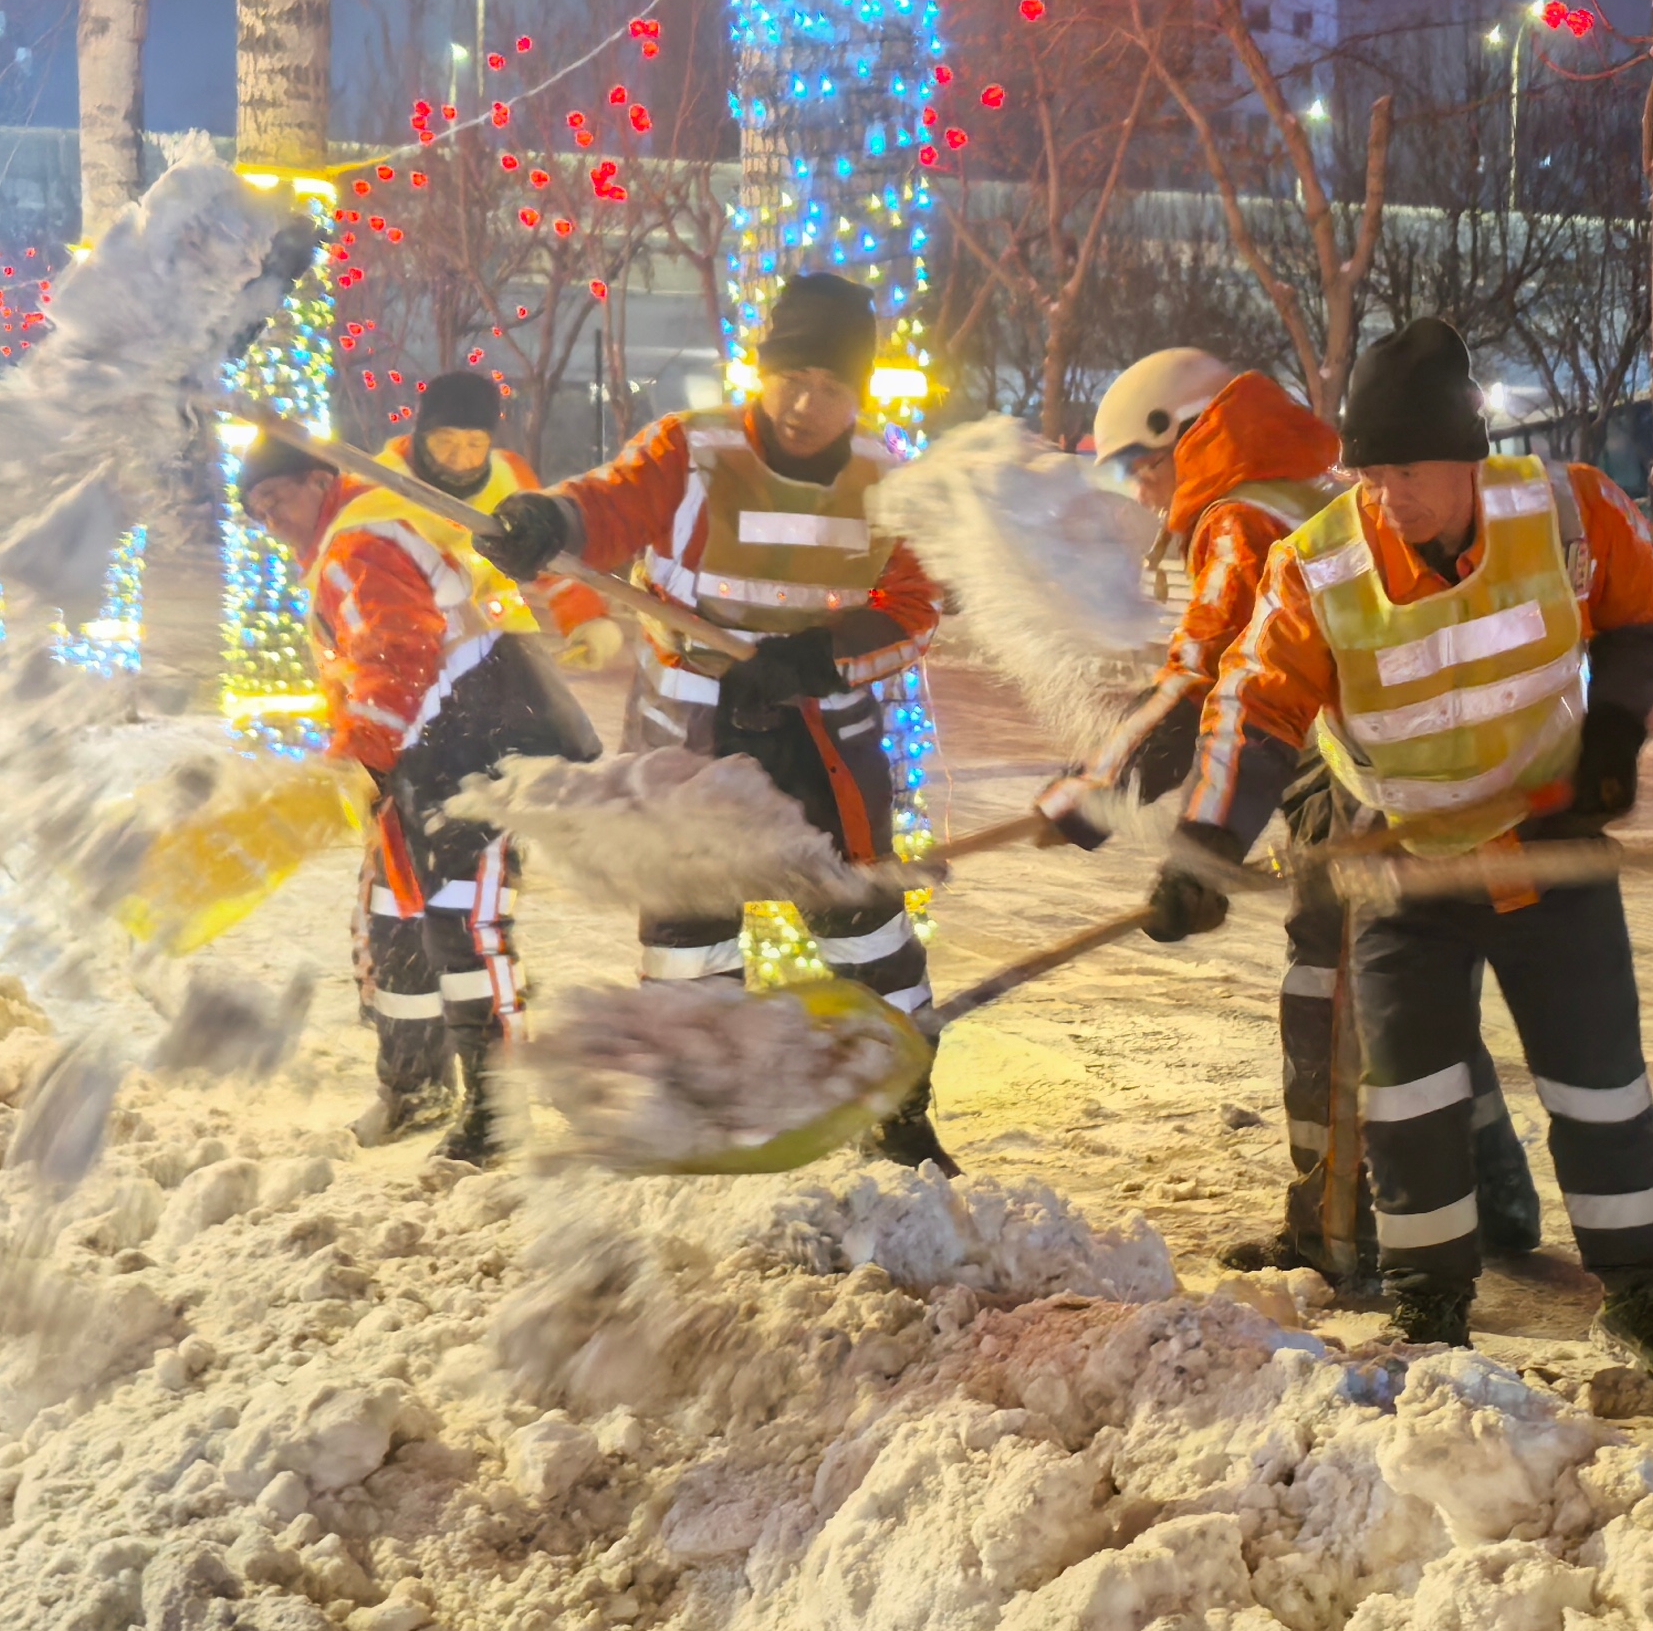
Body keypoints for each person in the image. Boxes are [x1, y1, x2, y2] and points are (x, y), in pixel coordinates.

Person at [1150, 317, 1653, 1354]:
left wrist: (1612, 732)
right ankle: (1430, 1305)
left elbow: (1639, 615)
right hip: (1399, 864)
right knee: (1409, 1101)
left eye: (1410, 471)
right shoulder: (1317, 566)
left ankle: (1640, 1291)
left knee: (1600, 1087)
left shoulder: (1569, 509)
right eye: (1371, 474)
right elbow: (1255, 705)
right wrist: (1206, 846)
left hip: (1543, 851)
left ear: (1469, 456)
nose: (1389, 496)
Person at [1041, 348, 1540, 1285]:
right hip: (1430, 779)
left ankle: (1334, 1239)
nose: (1140, 494)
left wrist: (1091, 793)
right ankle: (1497, 1197)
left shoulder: (1238, 518)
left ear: (1181, 434)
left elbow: (1202, 681)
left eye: (1137, 467)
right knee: (1411, 1000)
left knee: (1331, 1003)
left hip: (1351, 789)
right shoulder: (1310, 491)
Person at [482, 271, 956, 1172]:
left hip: (821, 738)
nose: (804, 405)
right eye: (791, 378)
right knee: (688, 933)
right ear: (762, 371)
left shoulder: (886, 480)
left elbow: (912, 609)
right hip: (691, 734)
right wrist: (549, 520)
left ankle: (901, 1110)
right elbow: (609, 505)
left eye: (830, 386)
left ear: (857, 392)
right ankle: (698, 1110)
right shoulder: (691, 452)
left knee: (864, 924)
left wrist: (816, 658)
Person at [238, 413, 601, 1162]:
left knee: (462, 926)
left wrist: (359, 759)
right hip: (423, 756)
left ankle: (497, 1112)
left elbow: (395, 656)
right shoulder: (351, 536)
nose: (268, 518)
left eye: (276, 497)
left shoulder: (359, 542)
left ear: (318, 481)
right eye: (256, 509)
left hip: (480, 749)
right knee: (396, 921)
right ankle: (416, 1089)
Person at [379, 368, 624, 673]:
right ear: (421, 434)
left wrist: (586, 619)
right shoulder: (377, 486)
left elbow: (549, 560)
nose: (459, 458)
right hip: (412, 657)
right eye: (445, 442)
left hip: (509, 650)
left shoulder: (509, 477)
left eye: (474, 444)